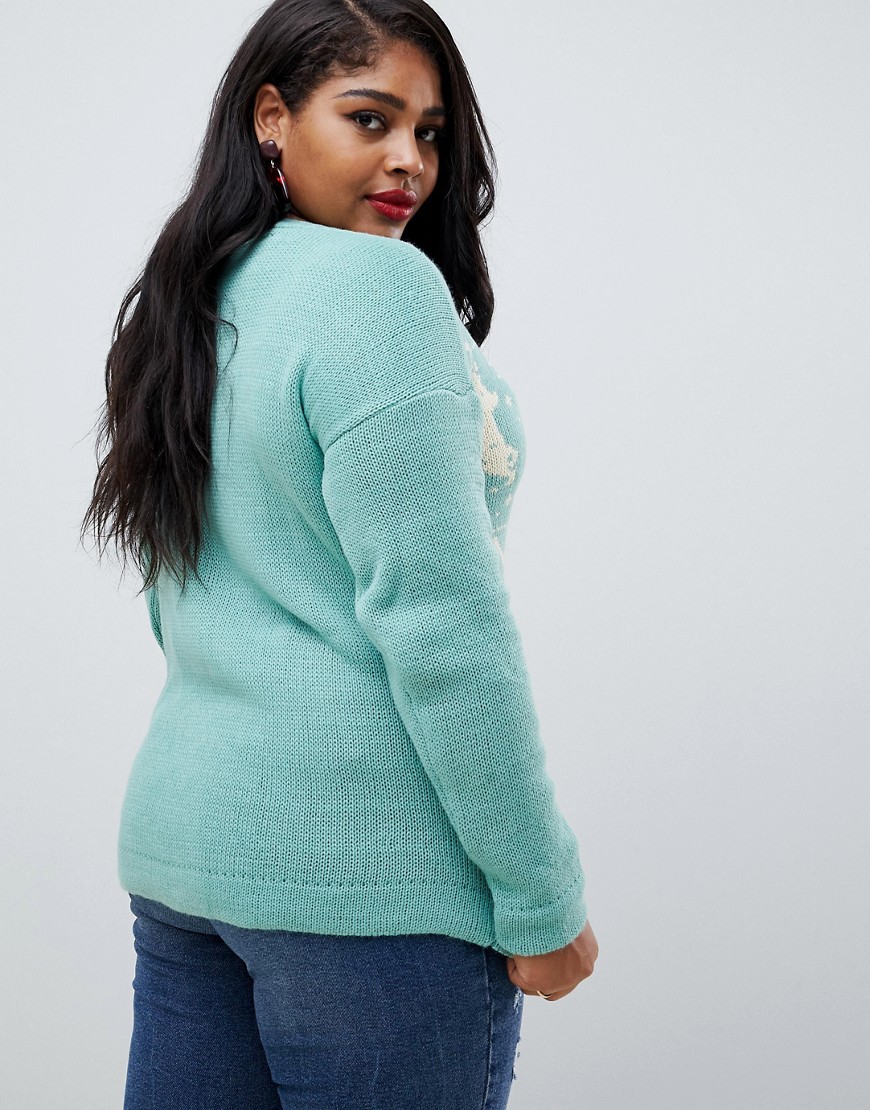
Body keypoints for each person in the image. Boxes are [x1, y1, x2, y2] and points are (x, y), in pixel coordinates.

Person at [80, 0, 599, 1106]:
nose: (409, 159)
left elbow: (182, 595)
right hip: (367, 883)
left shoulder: (193, 297)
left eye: (430, 132)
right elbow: (442, 624)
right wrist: (541, 897)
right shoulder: (376, 289)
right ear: (271, 117)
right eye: (370, 119)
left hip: (187, 847)